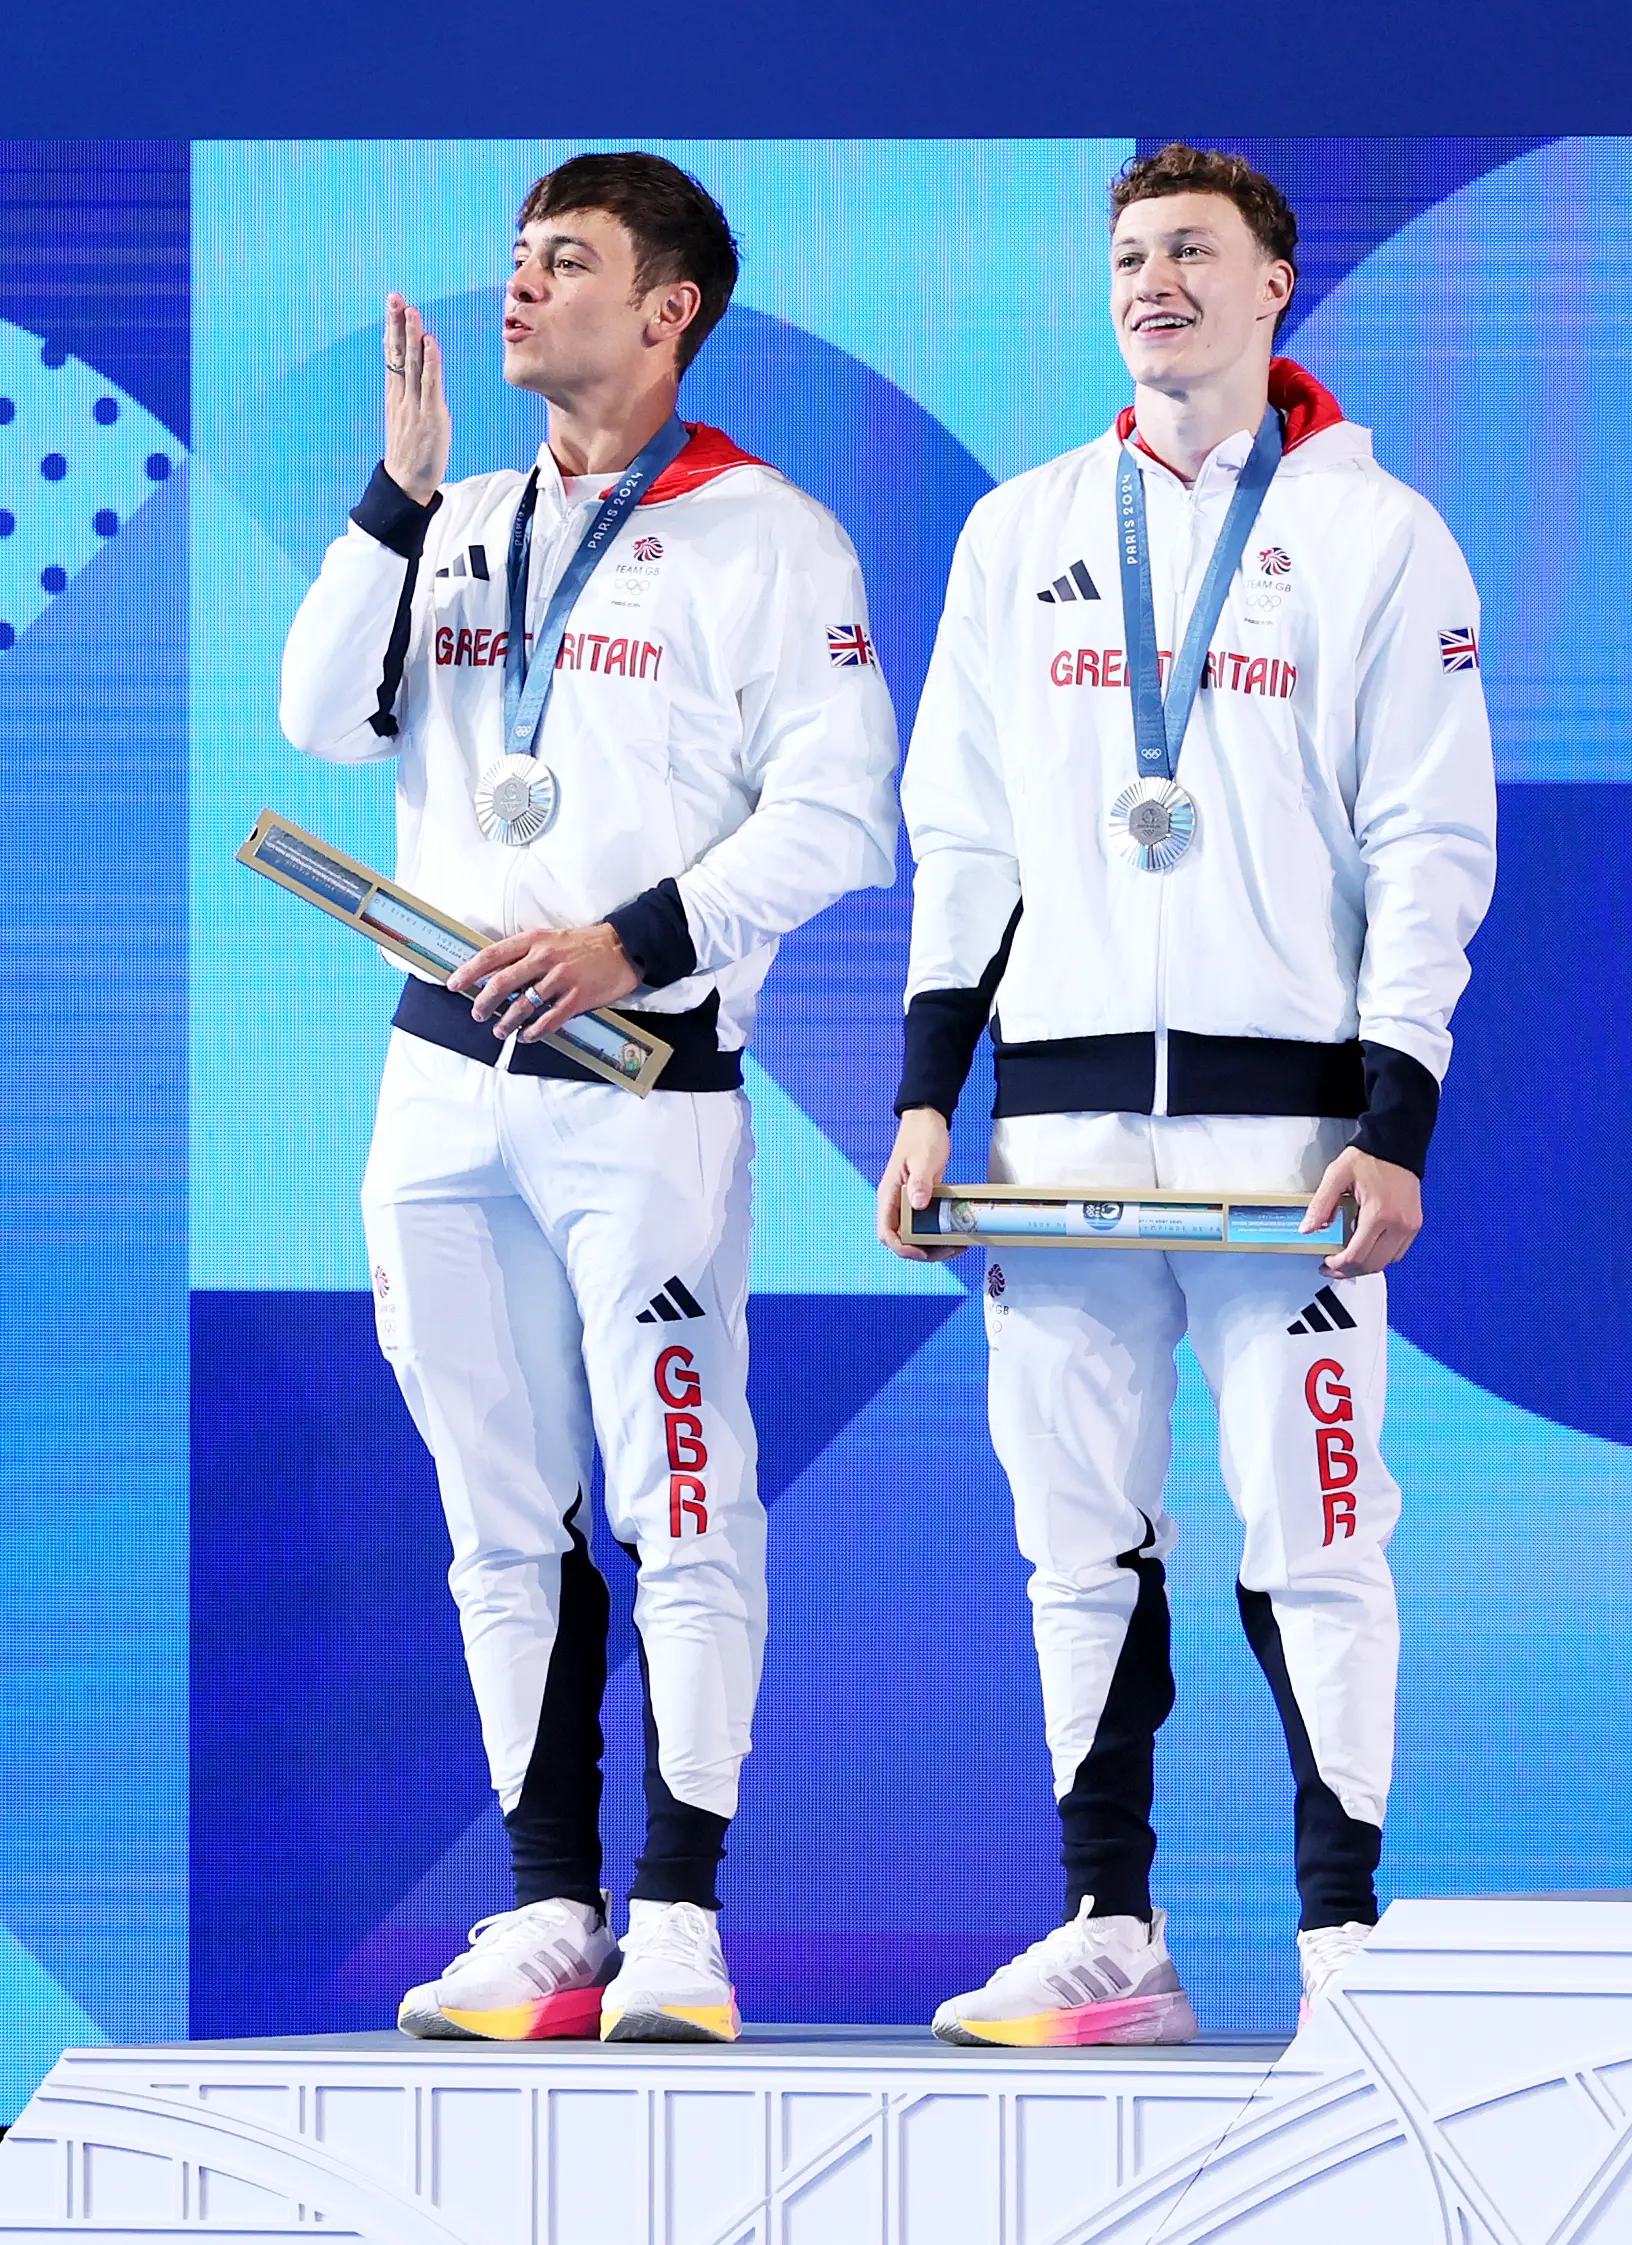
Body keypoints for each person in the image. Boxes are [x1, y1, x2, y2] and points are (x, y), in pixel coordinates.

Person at [877, 142, 1495, 2044]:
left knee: (1317, 1528)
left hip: (1286, 1145)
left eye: (1194, 252)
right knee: (1075, 1537)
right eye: (1133, 254)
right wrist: (926, 1098)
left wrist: (1394, 1119)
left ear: (1273, 285)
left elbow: (1429, 842)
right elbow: (962, 838)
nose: (1154, 281)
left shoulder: (1378, 534)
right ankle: (1110, 1926)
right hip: (1056, 1138)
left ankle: (1342, 1943)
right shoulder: (1021, 532)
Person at [282, 151, 898, 2043]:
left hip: (643, 1088)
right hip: (438, 1090)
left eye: (566, 259)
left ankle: (682, 1915)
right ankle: (549, 1908)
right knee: (497, 1512)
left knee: (678, 1495)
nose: (520, 285)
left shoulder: (770, 538)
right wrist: (393, 496)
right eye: (517, 256)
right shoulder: (458, 521)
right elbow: (316, 718)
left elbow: (841, 814)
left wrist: (637, 941)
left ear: (668, 308)